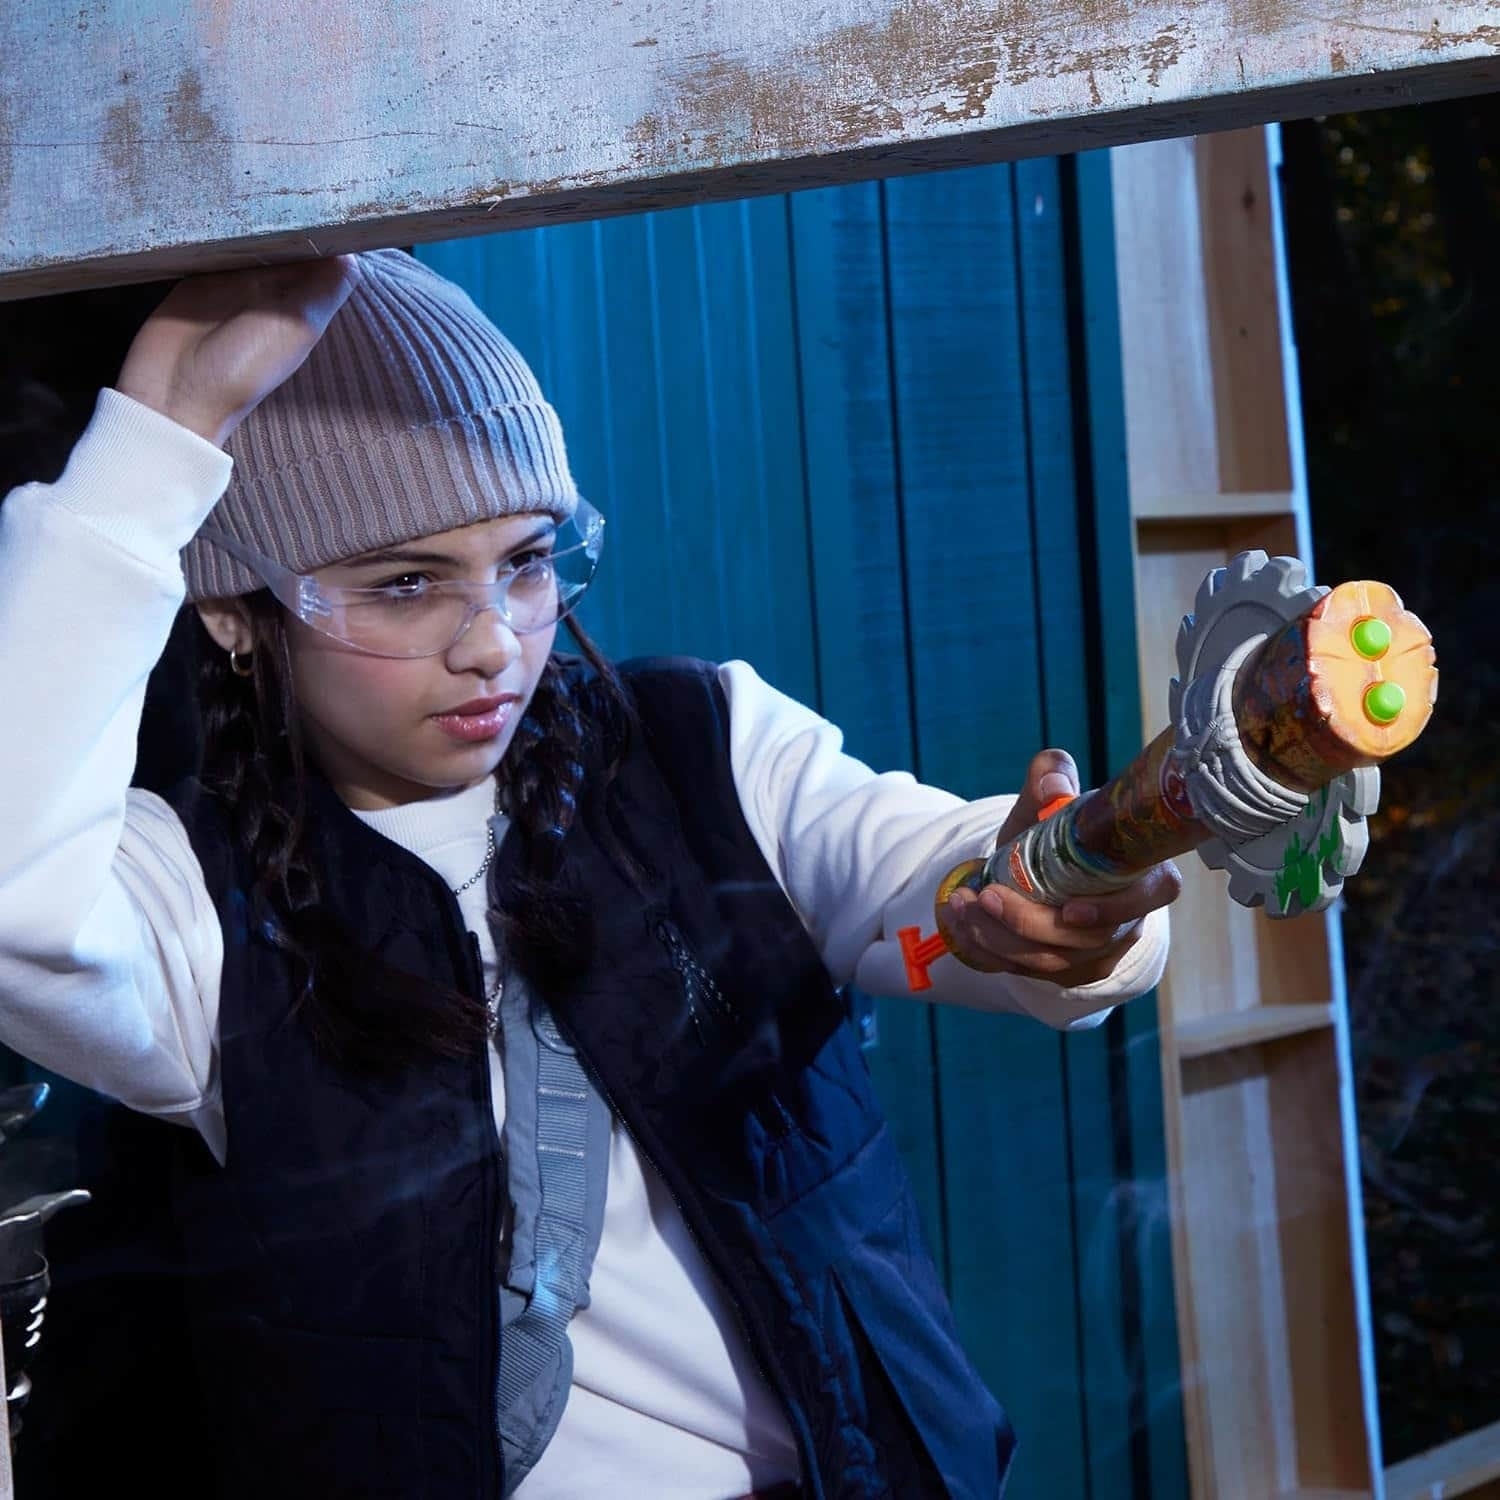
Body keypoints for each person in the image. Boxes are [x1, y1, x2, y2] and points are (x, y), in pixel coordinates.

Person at [0, 248, 1179, 1499]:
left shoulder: (705, 752)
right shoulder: (194, 908)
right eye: (406, 585)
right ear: (239, 610)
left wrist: (1066, 894)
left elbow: (938, 871)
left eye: (525, 561)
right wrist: (155, 446)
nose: (493, 643)